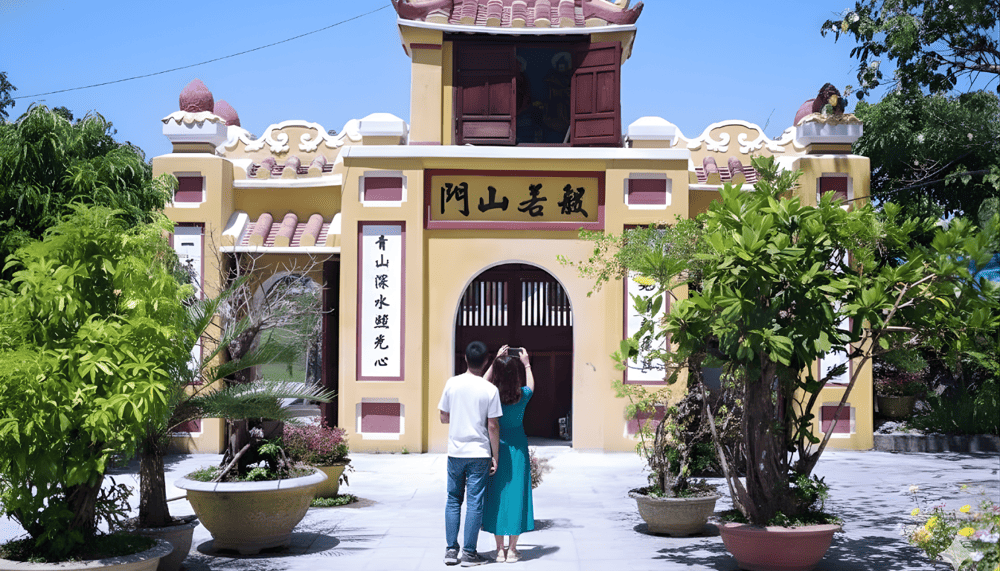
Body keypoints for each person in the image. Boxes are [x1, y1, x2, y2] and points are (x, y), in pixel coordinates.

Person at [439, 340, 503, 567]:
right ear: (486, 361)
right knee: (475, 502)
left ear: (465, 359)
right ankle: (468, 554)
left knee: (453, 499)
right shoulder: (490, 389)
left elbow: (443, 417)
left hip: (456, 452)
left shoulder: (452, 384)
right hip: (479, 453)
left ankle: (450, 551)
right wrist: (495, 456)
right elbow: (493, 426)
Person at [482, 345, 535, 563]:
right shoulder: (522, 395)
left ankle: (498, 550)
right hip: (518, 447)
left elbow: (482, 383)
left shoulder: (491, 395)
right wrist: (526, 363)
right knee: (517, 495)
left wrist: (495, 361)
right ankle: (513, 550)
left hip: (497, 447)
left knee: (497, 495)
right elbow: (531, 385)